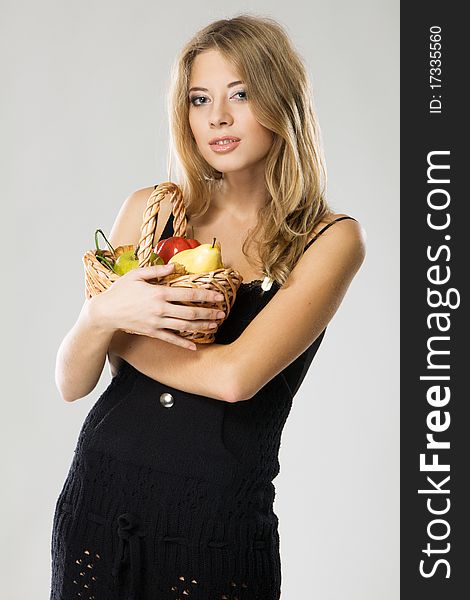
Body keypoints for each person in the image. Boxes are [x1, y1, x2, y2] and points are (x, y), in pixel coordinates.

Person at [51, 14, 366, 600]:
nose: (217, 116)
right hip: (101, 496)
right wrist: (98, 319)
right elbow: (73, 382)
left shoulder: (329, 238)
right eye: (199, 99)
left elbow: (235, 379)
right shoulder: (153, 209)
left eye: (240, 94)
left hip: (216, 521)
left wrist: (124, 333)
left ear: (281, 101)